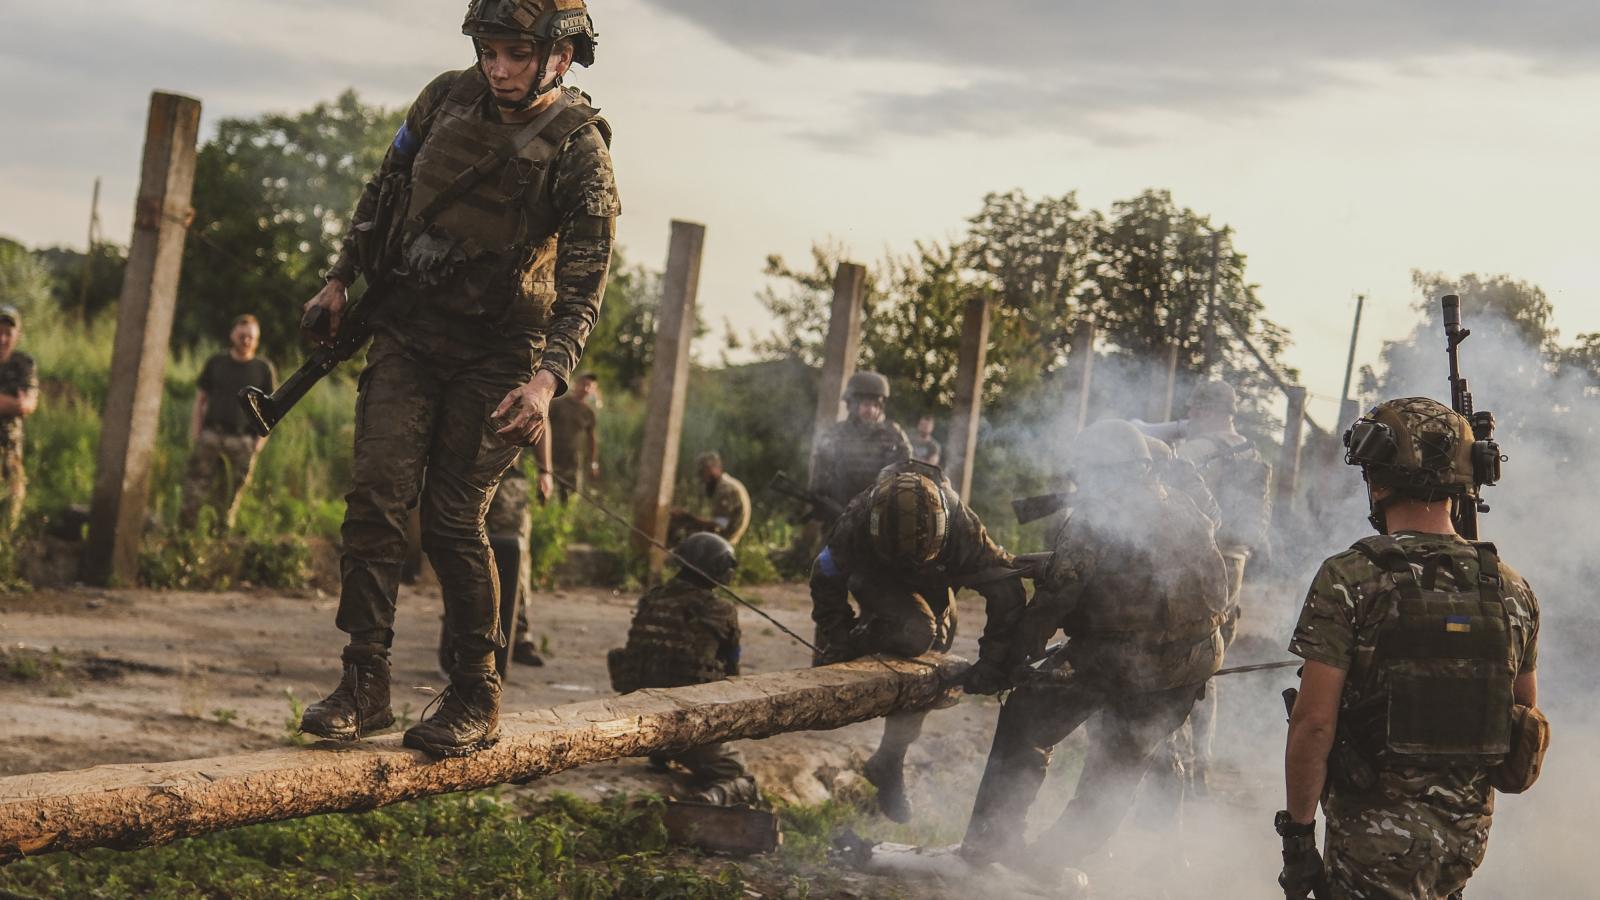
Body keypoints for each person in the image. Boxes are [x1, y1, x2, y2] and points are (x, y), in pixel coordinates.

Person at [297, 0, 618, 759]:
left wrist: (545, 385)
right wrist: (340, 279)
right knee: (375, 500)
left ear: (561, 57)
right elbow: (386, 186)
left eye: (515, 54)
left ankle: (476, 690)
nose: (499, 69)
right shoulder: (444, 97)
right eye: (488, 51)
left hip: (501, 356)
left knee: (452, 521)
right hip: (407, 330)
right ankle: (362, 682)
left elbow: (585, 285)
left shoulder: (580, 149)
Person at [1279, 397, 1544, 900]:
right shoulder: (1512, 589)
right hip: (1462, 848)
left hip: (1370, 850)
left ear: (1378, 483)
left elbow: (1313, 723)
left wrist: (1297, 836)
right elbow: (1524, 713)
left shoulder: (1350, 577)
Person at [959, 420, 1228, 888]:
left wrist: (1008, 663)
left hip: (1121, 659)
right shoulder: (1184, 506)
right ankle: (1050, 859)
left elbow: (1053, 603)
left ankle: (990, 840)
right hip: (1189, 664)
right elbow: (1147, 572)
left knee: (1026, 722)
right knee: (1118, 765)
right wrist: (1052, 560)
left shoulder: (1095, 517)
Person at [811, 459, 1027, 823]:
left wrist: (994, 661)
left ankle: (889, 761)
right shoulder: (857, 519)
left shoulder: (962, 526)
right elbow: (825, 573)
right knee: (916, 631)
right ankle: (871, 636)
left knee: (932, 657)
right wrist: (839, 638)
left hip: (936, 584)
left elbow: (1005, 589)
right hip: (874, 577)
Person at [1134, 379, 1271, 792]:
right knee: (1211, 664)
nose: (1188, 418)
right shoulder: (1254, 453)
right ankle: (1201, 767)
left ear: (1202, 410)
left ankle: (1170, 765)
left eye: (1192, 410)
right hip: (1235, 564)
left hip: (1194, 563)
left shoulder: (1195, 452)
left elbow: (1161, 505)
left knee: (1174, 661)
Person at [607, 532, 760, 805]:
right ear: (718, 571)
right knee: (737, 773)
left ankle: (661, 754)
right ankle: (709, 800)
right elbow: (731, 672)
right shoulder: (721, 610)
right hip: (683, 727)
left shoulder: (651, 599)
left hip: (636, 717)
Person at [179, 315, 278, 532]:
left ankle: (219, 539)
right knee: (194, 490)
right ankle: (184, 537)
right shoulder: (217, 362)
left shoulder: (263, 368)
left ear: (257, 340)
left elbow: (272, 411)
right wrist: (196, 432)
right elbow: (200, 400)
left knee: (229, 496)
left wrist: (259, 442)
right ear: (232, 334)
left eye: (250, 337)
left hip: (242, 441)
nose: (245, 341)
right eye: (242, 335)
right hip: (211, 435)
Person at [808, 371, 911, 529]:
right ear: (852, 405)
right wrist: (819, 498)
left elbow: (904, 468)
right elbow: (821, 468)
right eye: (866, 405)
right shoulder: (836, 433)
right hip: (838, 513)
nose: (871, 411)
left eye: (876, 405)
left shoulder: (893, 434)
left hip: (877, 514)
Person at [0, 305, 39, 534]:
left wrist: (19, 406)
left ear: (17, 336)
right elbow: (19, 404)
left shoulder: (24, 364)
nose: (2, 338)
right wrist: (13, 403)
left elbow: (28, 405)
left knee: (9, 516)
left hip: (10, 452)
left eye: (8, 333)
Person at [669, 451, 751, 545]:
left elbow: (718, 525)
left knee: (679, 531)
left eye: (702, 472)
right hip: (725, 539)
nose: (701, 478)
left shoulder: (725, 489)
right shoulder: (725, 485)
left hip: (723, 542)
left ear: (712, 469)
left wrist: (687, 517)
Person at [548, 372, 599, 501]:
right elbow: (543, 426)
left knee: (570, 497)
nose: (586, 389)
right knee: (547, 494)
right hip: (551, 458)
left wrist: (593, 463)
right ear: (576, 384)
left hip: (573, 462)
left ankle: (564, 520)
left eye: (590, 387)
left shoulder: (588, 412)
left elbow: (591, 439)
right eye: (584, 384)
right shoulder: (557, 404)